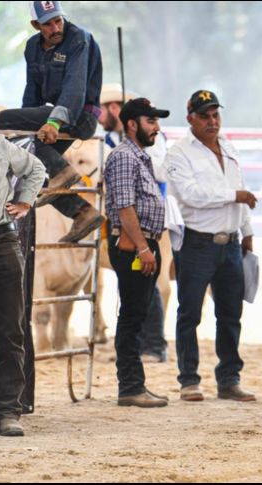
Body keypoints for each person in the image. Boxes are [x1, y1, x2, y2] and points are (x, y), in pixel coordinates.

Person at [166, 90, 257, 403]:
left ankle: (229, 379)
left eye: (215, 114)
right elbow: (190, 194)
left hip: (230, 241)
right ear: (190, 118)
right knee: (190, 312)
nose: (212, 121)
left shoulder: (228, 147)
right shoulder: (179, 153)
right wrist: (235, 196)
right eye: (204, 115)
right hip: (197, 242)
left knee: (231, 313)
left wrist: (246, 231)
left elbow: (241, 186)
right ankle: (188, 379)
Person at [0, 1, 104, 244]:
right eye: (48, 24)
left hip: (80, 116)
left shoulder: (78, 39)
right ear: (36, 25)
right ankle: (82, 212)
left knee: (2, 119)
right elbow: (31, 93)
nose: (56, 28)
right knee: (32, 166)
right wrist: (23, 135)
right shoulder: (32, 46)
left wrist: (53, 123)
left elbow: (75, 88)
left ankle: (61, 170)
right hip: (54, 116)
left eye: (58, 20)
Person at [0, 97, 47, 436]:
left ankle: (8, 411)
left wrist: (24, 201)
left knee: (9, 331)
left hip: (0, 242)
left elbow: (36, 168)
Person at [103, 98, 170, 408]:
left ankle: (134, 383)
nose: (156, 127)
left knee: (136, 313)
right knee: (132, 316)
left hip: (142, 242)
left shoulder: (137, 156)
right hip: (134, 243)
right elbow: (124, 205)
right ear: (133, 124)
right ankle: (130, 386)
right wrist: (143, 247)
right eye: (151, 121)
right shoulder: (125, 158)